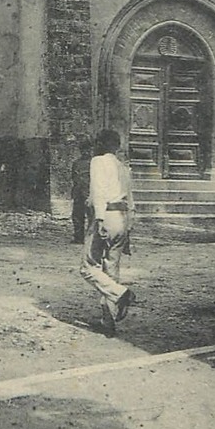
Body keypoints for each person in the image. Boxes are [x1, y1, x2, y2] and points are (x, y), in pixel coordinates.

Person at [80, 128, 134, 337]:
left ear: (100, 144)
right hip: (122, 218)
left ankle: (121, 294)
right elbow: (131, 199)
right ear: (118, 146)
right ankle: (108, 320)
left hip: (106, 216)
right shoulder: (123, 167)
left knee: (88, 267)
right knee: (112, 270)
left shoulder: (98, 162)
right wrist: (129, 226)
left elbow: (99, 191)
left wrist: (100, 218)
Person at [70, 138, 92, 244]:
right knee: (77, 216)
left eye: (87, 150)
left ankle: (91, 237)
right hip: (78, 192)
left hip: (89, 192)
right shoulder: (76, 163)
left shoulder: (94, 163)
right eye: (83, 150)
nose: (85, 152)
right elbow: (74, 177)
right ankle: (78, 237)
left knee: (92, 216)